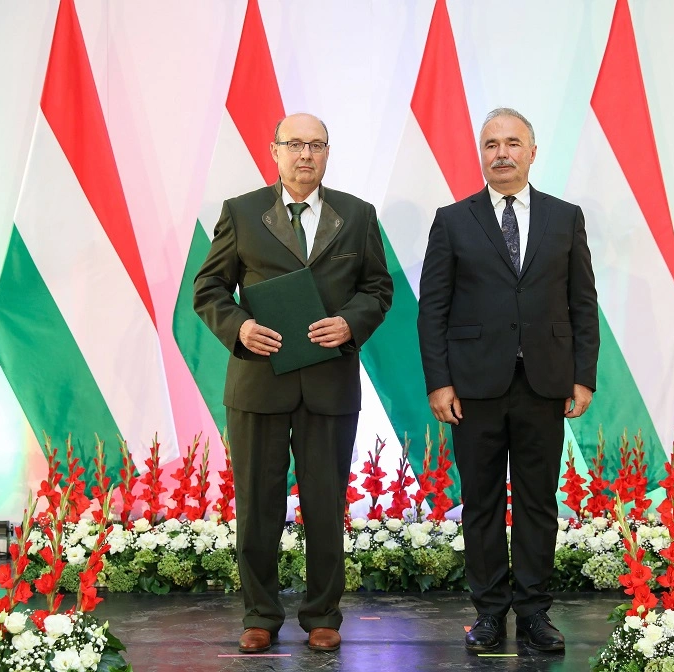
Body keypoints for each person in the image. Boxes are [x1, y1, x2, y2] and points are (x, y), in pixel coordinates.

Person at [193, 113, 393, 653]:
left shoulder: (357, 214)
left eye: (316, 145)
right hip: (258, 382)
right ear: (275, 151)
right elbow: (208, 288)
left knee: (325, 505)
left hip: (330, 383)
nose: (306, 154)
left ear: (327, 153)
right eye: (295, 144)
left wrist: (350, 322)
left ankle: (323, 615)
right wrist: (240, 328)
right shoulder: (241, 212)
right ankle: (259, 614)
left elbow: (378, 289)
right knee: (257, 505)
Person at [417, 107, 599, 653]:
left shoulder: (565, 217)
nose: (502, 153)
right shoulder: (453, 220)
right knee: (482, 504)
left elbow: (582, 303)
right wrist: (439, 382)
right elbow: (433, 309)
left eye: (513, 143)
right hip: (473, 387)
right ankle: (490, 614)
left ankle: (536, 613)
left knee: (539, 504)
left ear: (532, 152)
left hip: (545, 383)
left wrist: (583, 376)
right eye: (492, 144)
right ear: (481, 154)